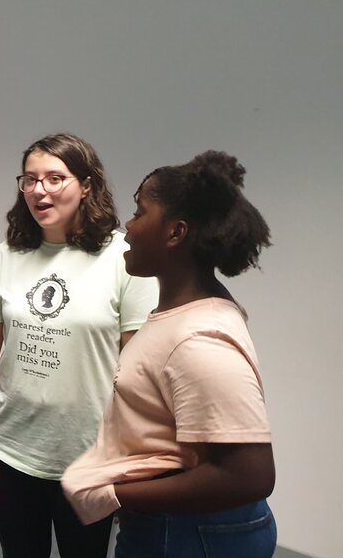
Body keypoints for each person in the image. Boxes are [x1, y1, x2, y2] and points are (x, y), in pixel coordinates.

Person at [62, 150, 276, 557]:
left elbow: (249, 476)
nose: (127, 226)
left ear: (175, 233)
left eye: (139, 212)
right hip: (175, 525)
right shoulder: (181, 315)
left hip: (190, 535)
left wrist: (115, 494)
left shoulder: (198, 339)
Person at [0, 132, 158, 557]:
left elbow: (138, 370)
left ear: (86, 185)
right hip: (9, 448)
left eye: (55, 178)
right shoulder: (5, 255)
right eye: (30, 179)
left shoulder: (123, 256)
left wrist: (130, 457)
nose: (40, 190)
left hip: (89, 455)